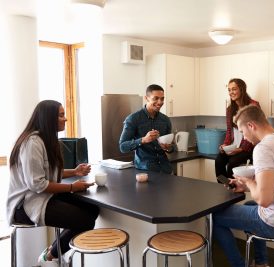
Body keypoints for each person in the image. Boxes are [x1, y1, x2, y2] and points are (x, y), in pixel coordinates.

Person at [213, 105, 274, 267]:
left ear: (251, 126)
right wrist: (246, 186)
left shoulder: (263, 148)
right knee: (250, 204)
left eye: (242, 131)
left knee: (215, 218)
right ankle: (261, 263)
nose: (243, 137)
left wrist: (250, 182)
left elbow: (265, 200)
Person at [6, 100, 99, 266]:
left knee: (93, 209)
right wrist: (72, 187)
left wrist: (74, 172)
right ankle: (50, 256)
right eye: (61, 115)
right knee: (85, 220)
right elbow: (37, 184)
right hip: (25, 206)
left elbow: (45, 173)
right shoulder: (32, 143)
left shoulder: (45, 140)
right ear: (48, 118)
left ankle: (52, 251)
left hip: (42, 197)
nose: (65, 119)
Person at [119, 84, 174, 174]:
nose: (160, 102)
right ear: (146, 98)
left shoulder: (165, 120)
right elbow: (122, 147)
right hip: (144, 171)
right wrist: (143, 140)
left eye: (162, 98)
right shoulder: (133, 119)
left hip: (165, 170)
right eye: (155, 98)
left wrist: (169, 147)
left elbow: (172, 148)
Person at [215, 78, 260, 180]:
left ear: (242, 89)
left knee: (232, 164)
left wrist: (240, 149)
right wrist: (225, 145)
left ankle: (234, 192)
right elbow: (229, 131)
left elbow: (254, 132)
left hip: (249, 148)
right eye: (229, 90)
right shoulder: (230, 109)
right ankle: (225, 186)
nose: (231, 92)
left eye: (234, 89)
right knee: (218, 160)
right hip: (234, 147)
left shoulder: (253, 106)